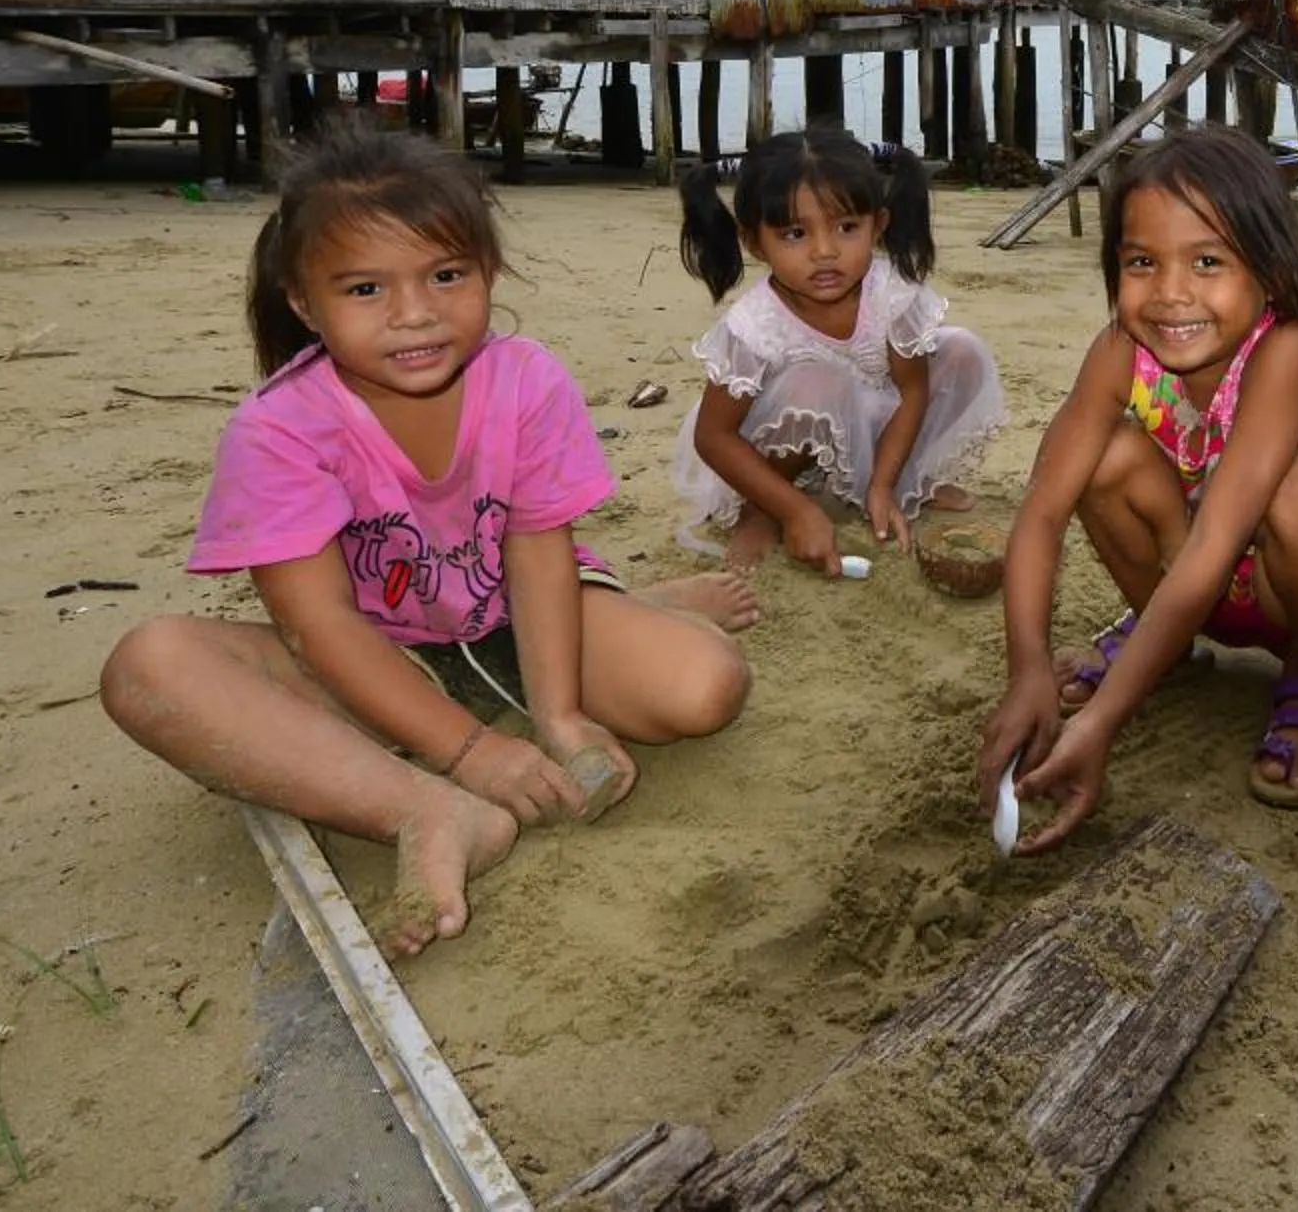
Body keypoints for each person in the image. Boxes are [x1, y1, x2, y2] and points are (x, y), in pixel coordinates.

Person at [101, 123, 753, 959]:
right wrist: (472, 755)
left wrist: (559, 718)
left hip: (518, 618)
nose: (415, 314)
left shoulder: (525, 380)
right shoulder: (278, 430)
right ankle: (426, 809)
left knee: (706, 688)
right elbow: (318, 625)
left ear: (488, 272)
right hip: (379, 658)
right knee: (149, 666)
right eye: (365, 289)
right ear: (304, 302)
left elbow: (537, 548)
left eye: (446, 275)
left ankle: (625, 610)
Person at [978, 127, 1298, 851]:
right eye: (1142, 262)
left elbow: (1213, 549)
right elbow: (1042, 513)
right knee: (1104, 458)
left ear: (1271, 268)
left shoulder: (1286, 352)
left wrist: (1100, 722)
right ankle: (1164, 643)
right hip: (1190, 574)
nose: (1171, 294)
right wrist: (1028, 670)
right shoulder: (1120, 351)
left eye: (1208, 261)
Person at [671, 126, 1005, 573]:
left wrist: (882, 486)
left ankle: (907, 482)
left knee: (962, 351)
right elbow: (713, 437)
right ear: (755, 244)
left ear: (878, 225)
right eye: (795, 234)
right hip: (775, 452)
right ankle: (762, 510)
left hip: (870, 415)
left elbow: (912, 392)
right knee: (819, 381)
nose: (825, 252)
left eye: (847, 228)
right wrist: (795, 511)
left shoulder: (891, 292)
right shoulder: (754, 324)